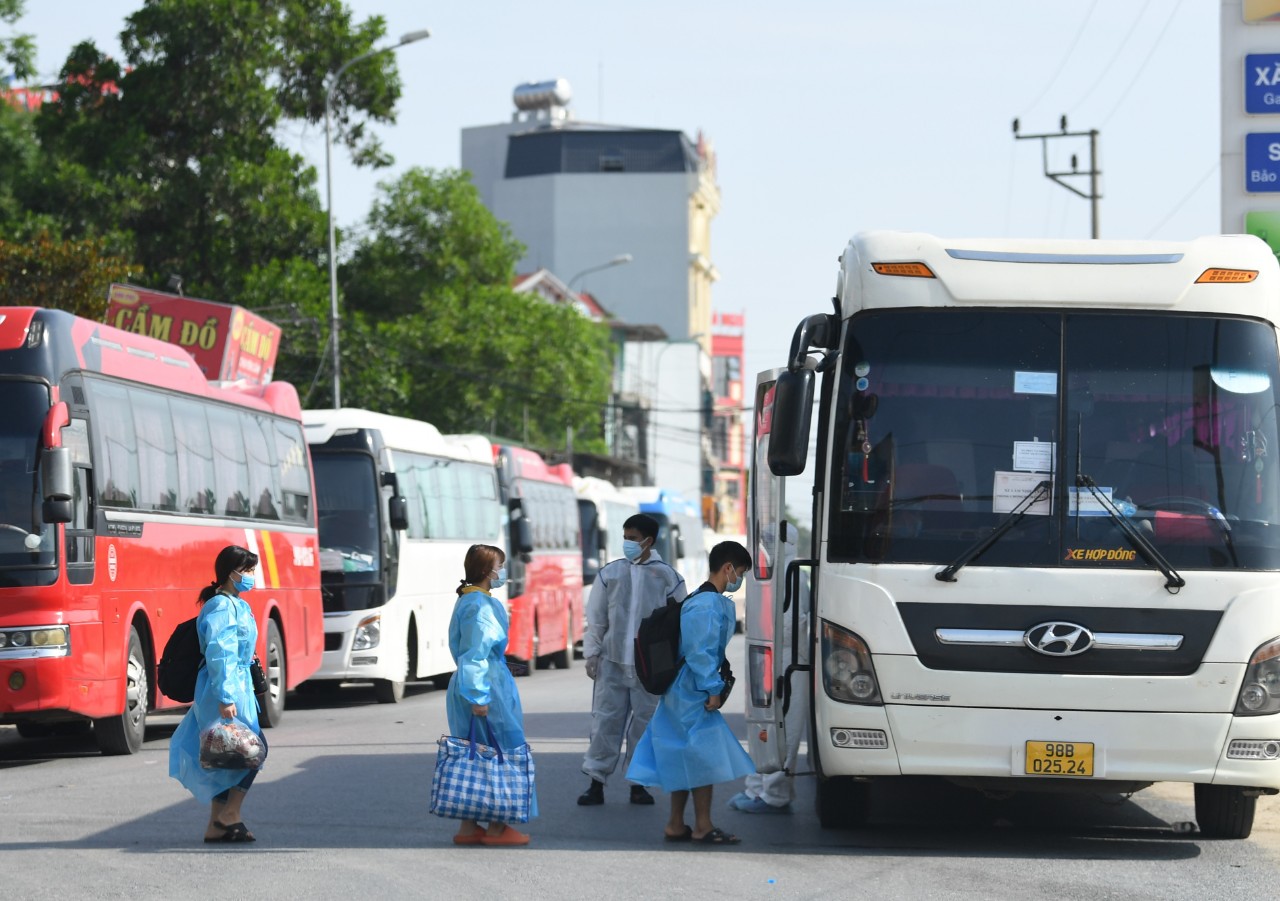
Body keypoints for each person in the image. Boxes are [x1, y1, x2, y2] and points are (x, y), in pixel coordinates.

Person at [626, 540, 755, 845]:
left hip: (681, 689)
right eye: (742, 572)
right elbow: (701, 652)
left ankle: (675, 823)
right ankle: (702, 825)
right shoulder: (708, 604)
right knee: (702, 758)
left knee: (682, 755)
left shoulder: (700, 598)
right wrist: (712, 688)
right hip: (693, 690)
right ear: (728, 568)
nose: (741, 578)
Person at [579, 513, 687, 806]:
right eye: (625, 538)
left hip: (649, 666)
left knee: (646, 724)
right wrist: (592, 652)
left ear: (649, 541)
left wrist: (674, 663)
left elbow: (679, 623)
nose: (627, 543)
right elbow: (597, 618)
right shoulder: (610, 573)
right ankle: (596, 781)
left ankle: (639, 783)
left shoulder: (668, 577)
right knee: (605, 722)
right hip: (612, 662)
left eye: (633, 539)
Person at [168, 545, 266, 843]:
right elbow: (219, 652)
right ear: (230, 573)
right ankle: (229, 815)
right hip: (223, 688)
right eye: (247, 570)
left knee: (226, 753)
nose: (250, 576)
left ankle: (216, 824)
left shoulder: (236, 603)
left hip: (237, 687)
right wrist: (225, 697)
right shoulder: (222, 606)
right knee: (253, 749)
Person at [446, 544, 537, 846]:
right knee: (503, 752)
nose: (503, 571)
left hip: (473, 682)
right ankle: (498, 826)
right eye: (501, 565)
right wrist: (478, 696)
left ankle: (469, 825)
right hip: (486, 683)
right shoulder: (481, 606)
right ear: (488, 571)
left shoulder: (469, 599)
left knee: (472, 753)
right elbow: (476, 654)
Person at [728, 527, 810, 813]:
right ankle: (756, 789)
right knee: (761, 725)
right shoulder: (766, 571)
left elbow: (792, 625)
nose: (765, 544)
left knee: (783, 728)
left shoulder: (793, 573)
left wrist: (767, 634)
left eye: (770, 539)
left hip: (787, 659)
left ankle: (775, 795)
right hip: (766, 655)